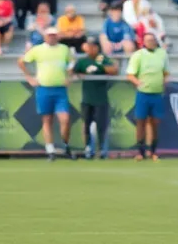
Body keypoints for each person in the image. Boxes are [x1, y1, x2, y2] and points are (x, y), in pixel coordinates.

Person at [19, 26, 75, 161]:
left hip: (60, 89)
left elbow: (71, 63)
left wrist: (69, 76)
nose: (52, 37)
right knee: (47, 120)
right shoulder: (38, 50)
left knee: (65, 119)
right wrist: (29, 78)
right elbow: (21, 61)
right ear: (45, 37)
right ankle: (50, 150)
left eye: (54, 35)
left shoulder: (64, 49)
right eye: (49, 35)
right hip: (44, 88)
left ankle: (65, 145)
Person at [127, 31, 170, 162]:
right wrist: (138, 83)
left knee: (155, 123)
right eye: (148, 40)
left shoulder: (162, 54)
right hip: (143, 93)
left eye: (152, 40)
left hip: (157, 93)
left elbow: (166, 72)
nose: (150, 42)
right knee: (140, 122)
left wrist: (164, 82)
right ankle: (140, 152)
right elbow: (130, 74)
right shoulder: (138, 55)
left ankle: (153, 151)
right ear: (143, 42)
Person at [73, 37, 118, 160]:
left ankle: (102, 149)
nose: (90, 48)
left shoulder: (102, 59)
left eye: (93, 46)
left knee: (101, 126)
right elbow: (73, 72)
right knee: (86, 124)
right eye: (88, 46)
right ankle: (88, 148)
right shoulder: (83, 61)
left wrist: (100, 68)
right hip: (87, 99)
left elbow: (114, 70)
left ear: (97, 47)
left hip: (101, 99)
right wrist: (80, 74)